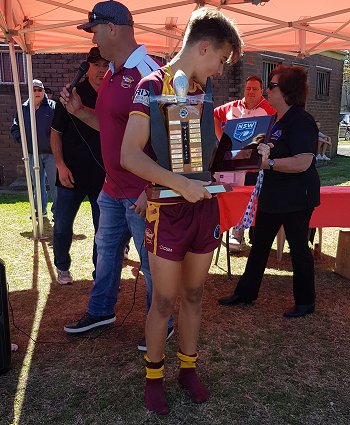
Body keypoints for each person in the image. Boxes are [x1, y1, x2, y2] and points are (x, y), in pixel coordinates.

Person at [121, 8, 247, 415]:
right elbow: (130, 156)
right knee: (164, 300)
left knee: (194, 295)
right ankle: (153, 375)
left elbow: (201, 157)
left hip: (203, 209)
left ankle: (188, 369)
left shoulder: (202, 91)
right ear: (205, 46)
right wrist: (180, 185)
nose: (221, 69)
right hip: (168, 211)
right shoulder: (151, 84)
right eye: (221, 59)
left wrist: (244, 157)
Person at [59, 1, 173, 349]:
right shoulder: (112, 72)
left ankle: (161, 321)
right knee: (105, 252)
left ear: (112, 28)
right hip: (112, 187)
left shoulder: (151, 74)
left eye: (93, 30)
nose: (92, 39)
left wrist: (152, 187)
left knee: (152, 262)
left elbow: (173, 138)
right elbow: (111, 127)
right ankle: (101, 310)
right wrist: (79, 112)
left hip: (142, 192)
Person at [218, 65, 320, 319]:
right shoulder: (276, 119)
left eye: (271, 86)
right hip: (274, 195)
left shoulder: (301, 120)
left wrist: (270, 163)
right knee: (260, 244)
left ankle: (306, 302)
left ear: (286, 91)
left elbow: (303, 161)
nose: (266, 91)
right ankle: (246, 292)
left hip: (297, 197)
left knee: (298, 248)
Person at [50, 47, 109, 285]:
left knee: (102, 230)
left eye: (106, 66)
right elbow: (55, 134)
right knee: (63, 225)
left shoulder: (112, 93)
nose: (102, 71)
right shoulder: (72, 93)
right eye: (97, 66)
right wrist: (60, 165)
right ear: (87, 67)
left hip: (103, 176)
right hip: (70, 174)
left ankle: (100, 272)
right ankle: (62, 267)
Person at [214, 75, 276, 251]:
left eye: (255, 89)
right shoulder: (233, 106)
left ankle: (252, 236)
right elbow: (213, 116)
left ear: (261, 91)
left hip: (255, 164)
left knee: (252, 197)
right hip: (232, 162)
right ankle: (235, 235)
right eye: (248, 88)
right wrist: (221, 141)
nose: (251, 92)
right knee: (233, 196)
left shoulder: (269, 108)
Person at [11, 79, 57, 219]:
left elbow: (61, 127)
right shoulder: (23, 108)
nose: (37, 92)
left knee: (56, 184)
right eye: (34, 89)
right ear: (30, 92)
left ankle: (58, 212)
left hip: (51, 154)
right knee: (37, 184)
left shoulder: (52, 107)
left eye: (39, 89)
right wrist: (22, 140)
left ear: (43, 91)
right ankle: (40, 211)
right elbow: (15, 128)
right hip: (32, 154)